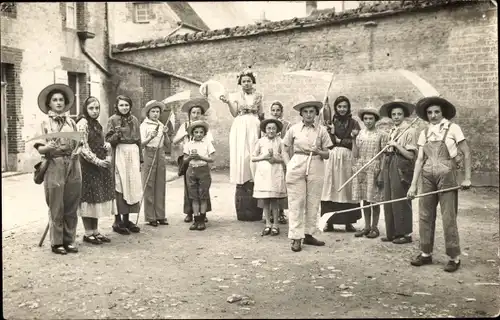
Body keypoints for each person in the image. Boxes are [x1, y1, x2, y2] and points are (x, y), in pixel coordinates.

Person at [408, 96, 471, 272]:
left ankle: (454, 257)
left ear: (442, 113)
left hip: (447, 177)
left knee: (448, 217)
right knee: (425, 215)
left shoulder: (453, 128)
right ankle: (426, 254)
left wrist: (467, 178)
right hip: (427, 177)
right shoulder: (424, 133)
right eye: (429, 113)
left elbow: (466, 152)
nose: (433, 115)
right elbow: (420, 160)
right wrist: (413, 185)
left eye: (436, 112)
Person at [33, 83, 82, 254]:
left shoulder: (71, 122)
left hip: (73, 164)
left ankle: (69, 240)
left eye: (61, 99)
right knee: (56, 204)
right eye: (55, 100)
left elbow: (79, 143)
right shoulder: (44, 122)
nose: (59, 102)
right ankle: (57, 242)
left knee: (71, 204)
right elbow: (40, 148)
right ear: (49, 104)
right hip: (54, 164)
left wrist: (78, 150)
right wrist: (49, 147)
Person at [283, 95, 332, 252]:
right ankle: (296, 237)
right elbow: (284, 147)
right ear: (301, 114)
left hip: (316, 164)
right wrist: (288, 163)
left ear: (316, 113)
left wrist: (318, 151)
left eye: (312, 111)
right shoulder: (294, 129)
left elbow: (328, 154)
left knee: (313, 200)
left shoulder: (321, 131)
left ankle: (309, 233)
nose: (309, 114)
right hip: (297, 163)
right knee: (296, 201)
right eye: (306, 111)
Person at [219, 67, 264, 221]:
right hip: (240, 125)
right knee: (242, 154)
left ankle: (253, 179)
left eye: (249, 81)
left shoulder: (258, 96)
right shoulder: (236, 96)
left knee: (253, 152)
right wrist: (227, 103)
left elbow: (261, 114)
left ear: (253, 82)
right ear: (240, 83)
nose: (246, 84)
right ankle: (243, 178)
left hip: (254, 124)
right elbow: (234, 113)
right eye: (243, 81)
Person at [76, 96, 114, 245]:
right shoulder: (83, 123)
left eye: (97, 108)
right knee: (88, 198)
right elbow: (83, 147)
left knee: (96, 197)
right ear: (85, 109)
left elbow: (99, 140)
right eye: (91, 108)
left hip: (98, 165)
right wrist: (97, 161)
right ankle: (88, 232)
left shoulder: (97, 124)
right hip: (88, 165)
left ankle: (95, 231)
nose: (94, 111)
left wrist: (106, 146)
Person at [320, 96, 362, 232]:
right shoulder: (330, 122)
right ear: (335, 108)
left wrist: (339, 140)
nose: (342, 109)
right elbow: (328, 141)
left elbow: (356, 142)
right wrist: (333, 135)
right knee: (331, 188)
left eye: (345, 106)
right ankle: (329, 222)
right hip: (332, 158)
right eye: (339, 107)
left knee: (347, 188)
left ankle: (348, 222)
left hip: (348, 159)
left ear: (348, 107)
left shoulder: (354, 123)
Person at [379, 99, 417, 244]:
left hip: (402, 166)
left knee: (400, 199)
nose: (396, 117)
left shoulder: (410, 130)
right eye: (393, 114)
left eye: (399, 114)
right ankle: (392, 232)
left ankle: (405, 234)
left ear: (404, 115)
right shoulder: (393, 130)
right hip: (389, 163)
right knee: (388, 199)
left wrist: (396, 145)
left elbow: (411, 155)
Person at [172, 97, 214, 224]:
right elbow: (174, 142)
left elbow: (209, 142)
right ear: (189, 114)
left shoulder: (204, 127)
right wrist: (185, 134)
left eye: (198, 113)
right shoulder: (185, 126)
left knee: (203, 187)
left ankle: (203, 213)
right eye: (193, 113)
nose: (196, 115)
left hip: (202, 159)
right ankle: (190, 212)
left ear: (202, 115)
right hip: (188, 158)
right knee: (189, 186)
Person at [105, 95, 143, 235]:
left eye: (127, 105)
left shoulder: (134, 120)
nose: (124, 108)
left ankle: (127, 219)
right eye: (121, 105)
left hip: (133, 153)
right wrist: (116, 134)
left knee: (131, 184)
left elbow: (138, 140)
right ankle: (117, 220)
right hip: (120, 152)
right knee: (120, 184)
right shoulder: (112, 120)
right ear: (117, 106)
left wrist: (141, 159)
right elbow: (108, 140)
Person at [351, 106, 386, 239]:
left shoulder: (382, 134)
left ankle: (375, 227)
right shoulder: (359, 134)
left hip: (375, 168)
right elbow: (355, 154)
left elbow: (384, 156)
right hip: (361, 168)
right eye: (365, 118)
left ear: (375, 120)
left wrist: (381, 173)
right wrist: (353, 139)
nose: (368, 121)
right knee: (365, 199)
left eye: (371, 118)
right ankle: (366, 227)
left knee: (374, 199)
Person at [252, 118, 288, 236]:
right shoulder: (260, 142)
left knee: (274, 200)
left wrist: (275, 159)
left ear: (277, 130)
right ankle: (267, 223)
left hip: (275, 172)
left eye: (273, 128)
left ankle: (276, 224)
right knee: (265, 200)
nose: (271, 131)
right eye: (269, 128)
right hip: (263, 174)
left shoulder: (281, 142)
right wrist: (264, 157)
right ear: (265, 130)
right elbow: (253, 157)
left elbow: (285, 158)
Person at [140, 100, 170, 227]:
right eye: (153, 111)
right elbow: (141, 144)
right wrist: (150, 137)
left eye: (158, 111)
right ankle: (150, 216)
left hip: (160, 153)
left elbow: (168, 144)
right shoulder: (144, 125)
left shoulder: (162, 124)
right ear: (148, 112)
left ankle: (160, 215)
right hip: (149, 152)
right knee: (149, 184)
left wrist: (165, 134)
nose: (156, 114)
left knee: (160, 184)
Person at [183, 120, 215, 231]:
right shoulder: (188, 145)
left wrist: (201, 157)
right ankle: (196, 219)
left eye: (201, 132)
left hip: (203, 170)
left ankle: (202, 219)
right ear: (192, 133)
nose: (198, 134)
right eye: (196, 132)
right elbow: (184, 160)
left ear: (204, 134)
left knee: (203, 196)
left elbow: (212, 159)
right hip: (191, 171)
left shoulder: (207, 144)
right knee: (194, 197)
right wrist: (190, 158)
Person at [268, 100, 291, 225]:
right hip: (271, 157)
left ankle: (281, 212)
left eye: (278, 110)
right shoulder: (268, 125)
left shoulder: (287, 125)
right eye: (273, 110)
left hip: (282, 156)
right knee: (271, 183)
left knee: (282, 184)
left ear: (282, 112)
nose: (275, 112)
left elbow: (289, 141)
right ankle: (271, 212)